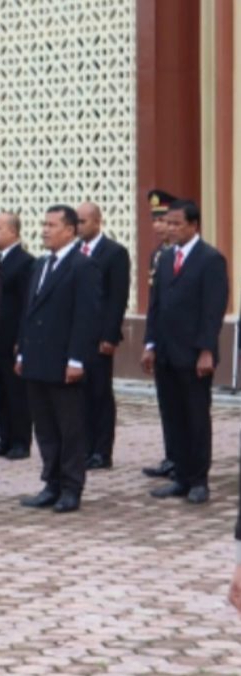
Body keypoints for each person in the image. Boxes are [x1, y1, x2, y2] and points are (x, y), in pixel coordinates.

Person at [142, 199, 228, 504]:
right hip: (164, 352)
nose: (170, 228)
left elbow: (213, 311)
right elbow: (155, 307)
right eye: (168, 222)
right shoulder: (164, 259)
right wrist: (149, 344)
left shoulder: (210, 259)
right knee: (172, 416)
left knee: (195, 417)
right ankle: (179, 475)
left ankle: (198, 480)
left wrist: (206, 350)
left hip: (193, 356)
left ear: (194, 225)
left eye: (177, 223)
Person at [16, 205, 100, 514]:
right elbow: (29, 312)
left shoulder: (82, 266)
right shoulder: (40, 264)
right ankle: (50, 483)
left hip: (65, 361)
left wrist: (77, 360)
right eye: (43, 224)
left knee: (70, 428)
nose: (45, 230)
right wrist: (22, 351)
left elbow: (85, 317)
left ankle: (71, 487)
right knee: (45, 427)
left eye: (52, 225)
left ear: (70, 230)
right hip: (37, 359)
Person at [75, 202, 131, 471]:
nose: (78, 227)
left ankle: (101, 450)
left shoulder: (114, 253)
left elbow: (117, 298)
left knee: (99, 393)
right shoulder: (73, 251)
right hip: (76, 336)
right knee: (79, 394)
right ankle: (84, 446)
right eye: (75, 222)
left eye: (83, 221)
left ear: (97, 222)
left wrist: (109, 336)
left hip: (99, 337)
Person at [0, 212, 34, 461]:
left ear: (14, 233)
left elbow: (27, 304)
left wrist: (22, 339)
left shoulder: (25, 262)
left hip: (13, 337)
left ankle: (20, 440)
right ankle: (4, 437)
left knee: (16, 392)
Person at [141, 189, 180, 480]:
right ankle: (172, 455)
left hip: (184, 344)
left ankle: (186, 460)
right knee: (167, 405)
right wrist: (149, 341)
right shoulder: (157, 256)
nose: (158, 226)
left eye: (164, 220)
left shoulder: (190, 254)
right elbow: (154, 304)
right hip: (162, 343)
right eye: (156, 220)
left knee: (186, 408)